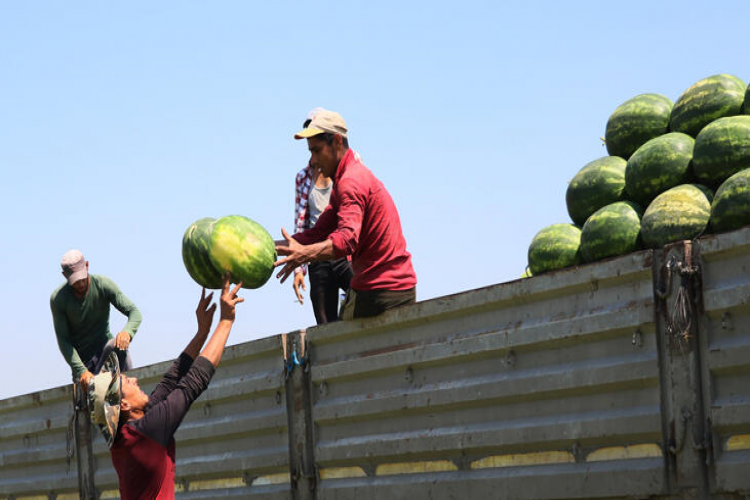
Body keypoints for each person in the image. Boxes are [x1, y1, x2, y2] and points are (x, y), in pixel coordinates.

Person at [88, 273, 244, 499]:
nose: (134, 379)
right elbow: (192, 383)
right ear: (123, 404)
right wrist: (226, 321)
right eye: (126, 381)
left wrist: (201, 333)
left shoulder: (128, 435)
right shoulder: (146, 434)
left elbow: (172, 380)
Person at [275, 109, 417, 319]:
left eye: (316, 151)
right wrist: (270, 247)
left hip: (380, 291)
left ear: (337, 142)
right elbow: (319, 231)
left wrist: (304, 254)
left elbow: (346, 240)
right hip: (400, 287)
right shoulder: (349, 176)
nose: (312, 161)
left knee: (333, 341)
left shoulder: (350, 182)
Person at [292, 108, 353, 324]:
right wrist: (298, 268)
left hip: (344, 253)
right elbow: (302, 224)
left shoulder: (350, 170)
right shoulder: (303, 177)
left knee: (358, 303)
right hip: (317, 255)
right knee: (326, 323)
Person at [50, 249, 142, 392]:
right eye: (75, 281)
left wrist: (127, 333)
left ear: (87, 265)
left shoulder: (103, 285)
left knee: (117, 345)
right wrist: (81, 371)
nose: (80, 284)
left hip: (106, 354)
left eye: (82, 278)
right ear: (65, 276)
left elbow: (134, 312)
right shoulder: (59, 299)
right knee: (91, 401)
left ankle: (130, 390)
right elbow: (64, 340)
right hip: (84, 365)